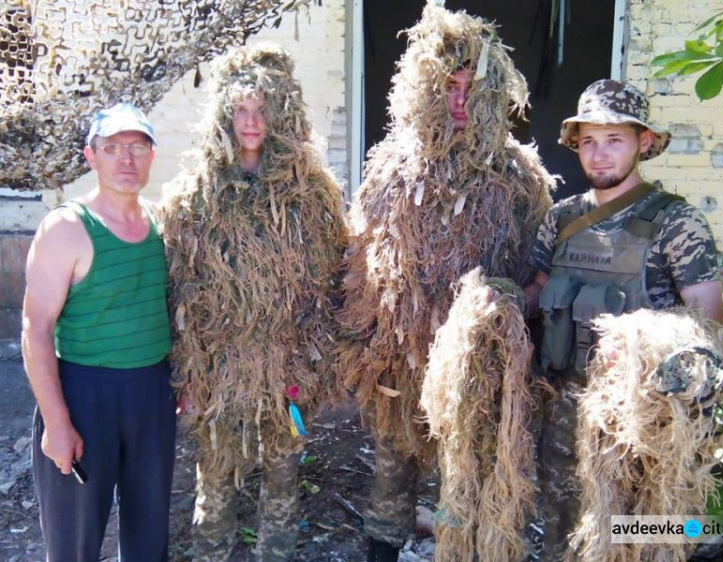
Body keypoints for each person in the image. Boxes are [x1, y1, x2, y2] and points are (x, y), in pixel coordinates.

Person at [336, 6, 556, 561]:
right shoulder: (391, 168)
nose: (460, 101)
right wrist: (366, 344)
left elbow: (537, 272)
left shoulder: (520, 178)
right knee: (391, 477)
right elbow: (364, 261)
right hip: (399, 362)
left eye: (471, 87)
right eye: (447, 87)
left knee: (466, 477)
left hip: (476, 367)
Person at [523, 78, 723, 560]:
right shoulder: (561, 217)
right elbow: (536, 292)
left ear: (644, 142)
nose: (599, 154)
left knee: (634, 538)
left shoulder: (677, 223)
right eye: (589, 142)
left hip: (642, 422)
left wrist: (647, 344)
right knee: (563, 533)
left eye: (614, 140)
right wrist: (489, 311)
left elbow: (709, 330)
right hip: (565, 413)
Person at [162, 44, 347, 562]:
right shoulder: (194, 196)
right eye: (241, 110)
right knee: (215, 481)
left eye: (262, 110)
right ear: (224, 113)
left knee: (284, 474)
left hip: (287, 371)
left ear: (281, 113)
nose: (251, 121)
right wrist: (192, 376)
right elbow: (181, 291)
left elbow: (328, 285)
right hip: (220, 372)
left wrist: (311, 367)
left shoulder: (312, 195)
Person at [22, 102, 175, 562]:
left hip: (152, 392)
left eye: (137, 147)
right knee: (76, 540)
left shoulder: (163, 224)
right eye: (112, 148)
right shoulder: (66, 228)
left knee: (149, 534)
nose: (126, 159)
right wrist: (56, 422)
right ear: (91, 156)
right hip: (85, 393)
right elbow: (36, 329)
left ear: (151, 156)